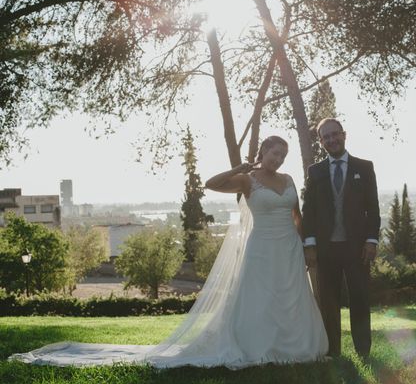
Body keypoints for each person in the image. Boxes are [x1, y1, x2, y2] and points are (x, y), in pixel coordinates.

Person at [10, 136, 328, 368]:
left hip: (287, 247)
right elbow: (210, 183)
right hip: (261, 248)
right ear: (263, 153)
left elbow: (296, 216)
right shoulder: (247, 179)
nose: (279, 159)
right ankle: (260, 347)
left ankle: (294, 349)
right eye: (275, 153)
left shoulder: (287, 180)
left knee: (291, 296)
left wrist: (306, 247)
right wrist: (239, 165)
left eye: (283, 155)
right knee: (260, 298)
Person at [302, 118, 380, 359]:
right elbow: (309, 210)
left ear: (344, 135)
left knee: (359, 298)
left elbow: (373, 208)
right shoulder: (315, 172)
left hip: (356, 247)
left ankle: (363, 351)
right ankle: (333, 351)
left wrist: (371, 241)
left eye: (335, 134)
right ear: (321, 141)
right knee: (328, 302)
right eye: (326, 137)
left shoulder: (364, 167)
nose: (331, 140)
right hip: (326, 248)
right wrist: (310, 244)